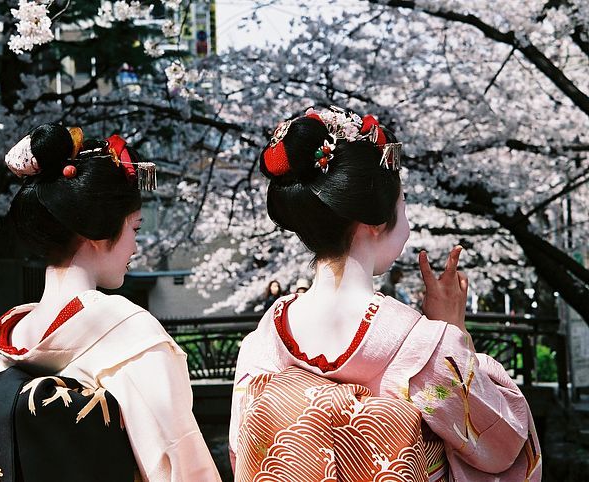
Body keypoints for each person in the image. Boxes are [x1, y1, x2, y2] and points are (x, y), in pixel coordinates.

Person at [229, 107, 541, 481]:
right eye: (403, 206)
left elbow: (243, 453)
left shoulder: (263, 342)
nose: (407, 225)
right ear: (376, 223)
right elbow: (503, 445)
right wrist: (453, 334)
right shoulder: (425, 348)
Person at [0, 124, 221, 481]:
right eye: (134, 229)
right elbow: (178, 464)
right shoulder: (130, 334)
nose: (135, 247)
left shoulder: (13, 341)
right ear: (93, 234)